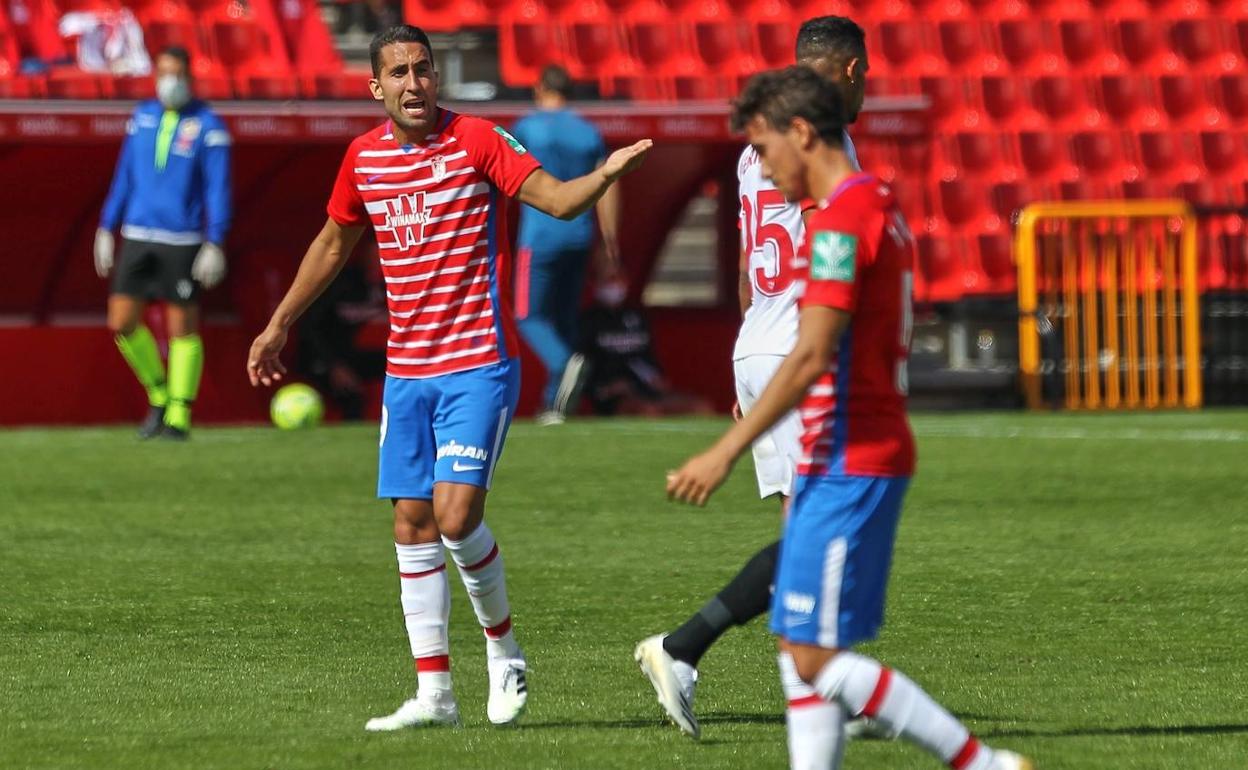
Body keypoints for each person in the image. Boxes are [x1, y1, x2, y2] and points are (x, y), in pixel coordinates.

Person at [245, 25, 650, 731]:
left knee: (456, 516)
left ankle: (504, 652)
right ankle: (434, 695)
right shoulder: (362, 159)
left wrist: (604, 177)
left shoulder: (478, 140)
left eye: (422, 69)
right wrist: (279, 322)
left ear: (437, 77)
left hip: (477, 365)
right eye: (398, 72)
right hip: (408, 374)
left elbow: (555, 200)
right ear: (376, 87)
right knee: (410, 521)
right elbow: (333, 241)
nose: (413, 83)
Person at [666, 67, 1032, 770]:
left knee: (811, 656)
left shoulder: (843, 221)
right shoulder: (874, 201)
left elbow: (808, 355)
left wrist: (725, 450)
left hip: (849, 454)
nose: (763, 170)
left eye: (766, 150)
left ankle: (984, 764)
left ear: (802, 133)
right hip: (833, 452)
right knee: (795, 643)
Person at [634, 16, 866, 740]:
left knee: (816, 530)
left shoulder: (755, 146)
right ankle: (683, 648)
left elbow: (744, 267)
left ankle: (823, 693)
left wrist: (750, 357)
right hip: (800, 340)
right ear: (852, 71)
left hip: (759, 335)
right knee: (822, 536)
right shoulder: (823, 145)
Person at [95, 45, 231, 440]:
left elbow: (217, 189)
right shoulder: (142, 117)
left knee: (181, 328)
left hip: (182, 238)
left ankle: (179, 415)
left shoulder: (208, 125)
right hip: (137, 234)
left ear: (189, 77)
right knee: (122, 321)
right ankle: (158, 393)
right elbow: (124, 176)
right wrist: (106, 226)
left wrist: (215, 240)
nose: (169, 81)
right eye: (163, 73)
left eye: (177, 73)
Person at [510, 64, 621, 425]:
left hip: (539, 237)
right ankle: (554, 403)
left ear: (539, 88)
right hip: (580, 234)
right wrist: (609, 242)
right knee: (564, 318)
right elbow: (609, 182)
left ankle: (564, 364)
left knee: (529, 316)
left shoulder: (526, 127)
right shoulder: (587, 131)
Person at [578, 277, 715, 417]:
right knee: (647, 411)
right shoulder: (587, 322)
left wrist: (656, 380)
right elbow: (581, 369)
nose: (615, 286)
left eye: (617, 279)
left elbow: (648, 360)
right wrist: (604, 388)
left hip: (645, 388)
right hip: (614, 397)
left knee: (701, 407)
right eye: (609, 280)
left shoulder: (636, 316)